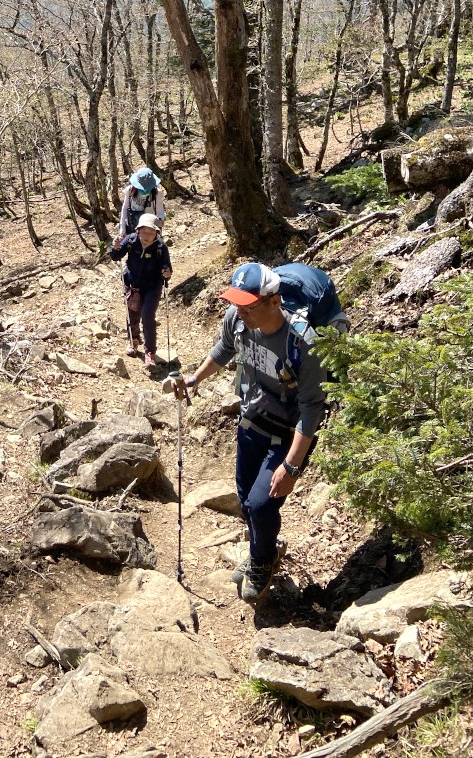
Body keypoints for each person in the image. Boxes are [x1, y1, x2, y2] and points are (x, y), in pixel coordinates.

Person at [171, 262, 329, 604]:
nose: (238, 311)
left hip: (287, 434)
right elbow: (223, 350)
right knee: (245, 500)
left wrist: (291, 467)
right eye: (235, 303)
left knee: (260, 505)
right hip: (251, 421)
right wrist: (194, 379)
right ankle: (264, 550)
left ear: (273, 301)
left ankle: (261, 560)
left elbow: (312, 409)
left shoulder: (302, 342)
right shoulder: (237, 320)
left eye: (247, 305)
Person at [110, 213, 172, 368]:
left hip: (153, 286)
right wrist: (115, 248)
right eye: (144, 232)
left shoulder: (160, 247)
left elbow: (167, 268)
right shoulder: (131, 240)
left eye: (151, 233)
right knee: (131, 313)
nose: (147, 236)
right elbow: (116, 256)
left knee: (147, 316)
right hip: (133, 284)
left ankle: (150, 352)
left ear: (156, 234)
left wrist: (167, 274)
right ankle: (133, 340)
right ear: (138, 230)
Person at [119, 167, 166, 240]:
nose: (144, 189)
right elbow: (125, 208)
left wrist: (160, 220)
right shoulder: (130, 190)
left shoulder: (157, 193)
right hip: (132, 226)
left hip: (150, 227)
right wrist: (122, 228)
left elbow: (160, 211)